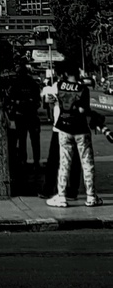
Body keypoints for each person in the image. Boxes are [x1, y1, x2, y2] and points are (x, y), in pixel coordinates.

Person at [46, 64, 103, 208]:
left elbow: (48, 98)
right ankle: (91, 196)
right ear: (77, 72)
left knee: (64, 163)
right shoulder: (83, 89)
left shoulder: (58, 85)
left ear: (65, 73)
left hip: (63, 128)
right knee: (87, 163)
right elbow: (84, 110)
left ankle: (61, 196)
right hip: (81, 129)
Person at [6, 62, 42, 170]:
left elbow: (11, 99)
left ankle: (24, 161)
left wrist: (18, 104)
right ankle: (36, 162)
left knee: (22, 140)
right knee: (34, 140)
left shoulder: (15, 84)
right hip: (31, 115)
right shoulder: (32, 83)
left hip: (21, 115)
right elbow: (37, 101)